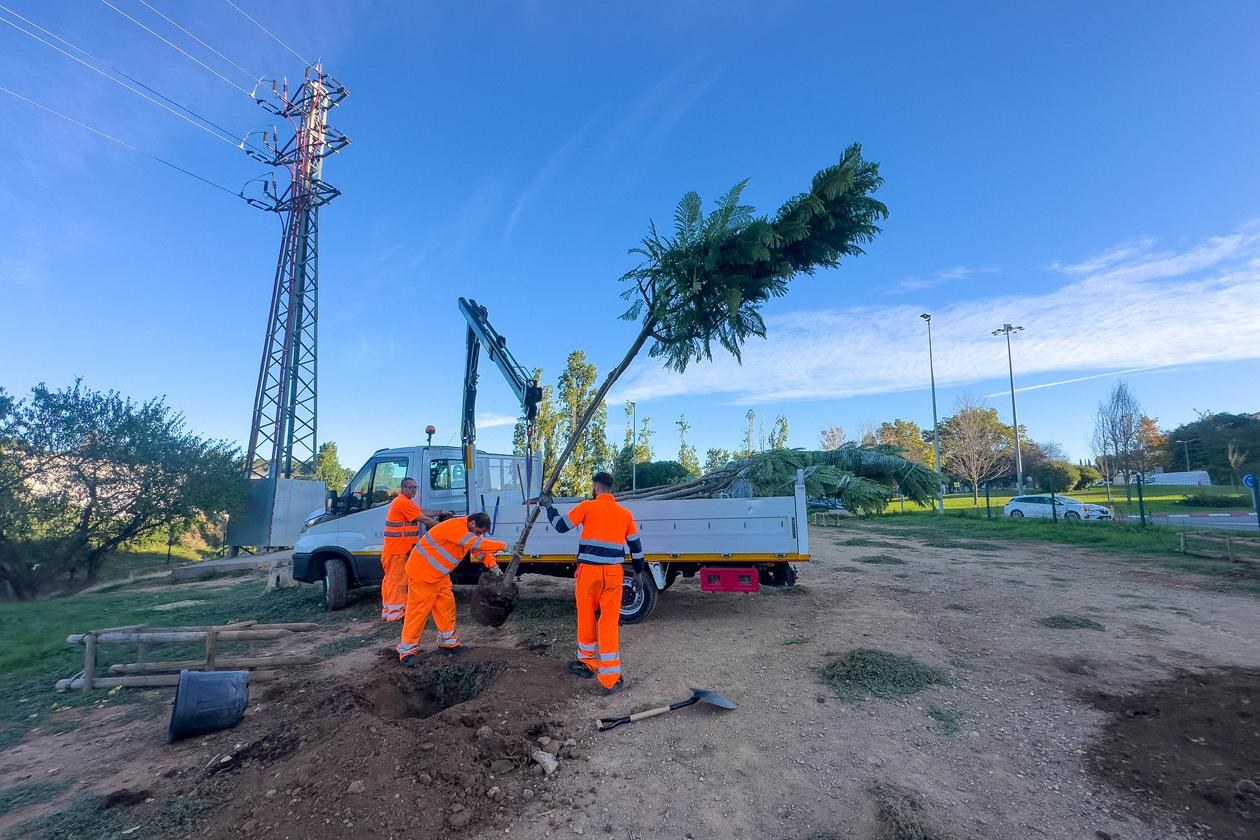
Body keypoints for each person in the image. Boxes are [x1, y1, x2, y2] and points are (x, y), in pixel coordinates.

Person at [540, 471, 644, 692]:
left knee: (586, 616)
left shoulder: (587, 507)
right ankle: (610, 679)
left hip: (588, 573)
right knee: (608, 622)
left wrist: (548, 507)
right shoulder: (624, 514)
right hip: (613, 574)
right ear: (610, 488)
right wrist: (638, 573)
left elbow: (560, 526)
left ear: (596, 486)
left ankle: (587, 664)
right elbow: (636, 546)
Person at [397, 512, 505, 664]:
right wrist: (505, 547)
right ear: (472, 523)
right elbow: (476, 543)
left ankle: (448, 644)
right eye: (478, 532)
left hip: (439, 576)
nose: (478, 535)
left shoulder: (468, 532)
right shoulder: (455, 527)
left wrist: (493, 566)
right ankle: (406, 652)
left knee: (446, 608)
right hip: (422, 574)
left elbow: (479, 550)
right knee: (417, 613)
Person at [379, 477, 440, 622]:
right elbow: (424, 519)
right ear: (403, 489)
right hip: (398, 550)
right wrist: (444, 527)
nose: (414, 490)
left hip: (395, 549)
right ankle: (396, 613)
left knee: (390, 581)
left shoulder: (404, 502)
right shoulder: (402, 502)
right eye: (411, 487)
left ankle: (388, 611)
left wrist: (440, 511)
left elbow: (421, 512)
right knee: (398, 582)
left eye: (415, 487)